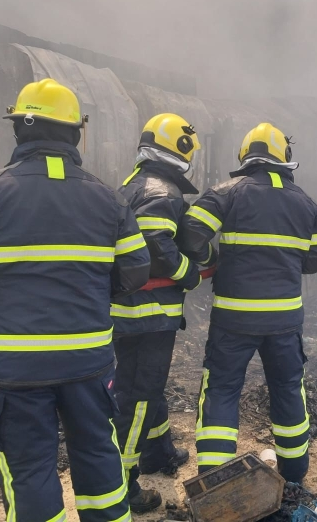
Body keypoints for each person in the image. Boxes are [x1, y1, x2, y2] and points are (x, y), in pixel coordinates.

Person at [0, 79, 150, 522]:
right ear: (76, 133)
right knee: (99, 455)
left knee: (30, 471)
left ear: (18, 128)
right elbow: (136, 271)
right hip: (87, 359)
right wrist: (90, 294)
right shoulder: (111, 200)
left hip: (15, 366)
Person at [177, 122, 317, 483]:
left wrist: (213, 259)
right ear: (284, 157)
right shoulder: (307, 204)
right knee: (288, 388)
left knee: (222, 389)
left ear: (246, 156)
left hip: (234, 319)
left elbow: (189, 235)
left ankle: (215, 480)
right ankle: (294, 475)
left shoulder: (226, 193)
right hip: (284, 321)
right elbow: (315, 261)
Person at [110, 113, 209, 513]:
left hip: (131, 313)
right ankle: (123, 483)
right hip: (148, 316)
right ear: (180, 149)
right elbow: (155, 242)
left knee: (145, 387)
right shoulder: (162, 190)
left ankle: (157, 452)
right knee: (139, 396)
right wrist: (189, 273)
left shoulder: (134, 183)